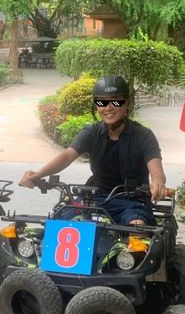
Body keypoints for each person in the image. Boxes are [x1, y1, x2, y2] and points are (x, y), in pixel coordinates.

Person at [19, 75, 167, 225]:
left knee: (137, 229)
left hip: (132, 201)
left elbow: (156, 171)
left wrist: (157, 182)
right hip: (94, 198)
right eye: (102, 102)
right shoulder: (92, 132)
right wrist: (38, 174)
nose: (108, 107)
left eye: (116, 101)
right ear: (97, 106)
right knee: (61, 221)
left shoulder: (143, 135)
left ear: (126, 104)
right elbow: (67, 155)